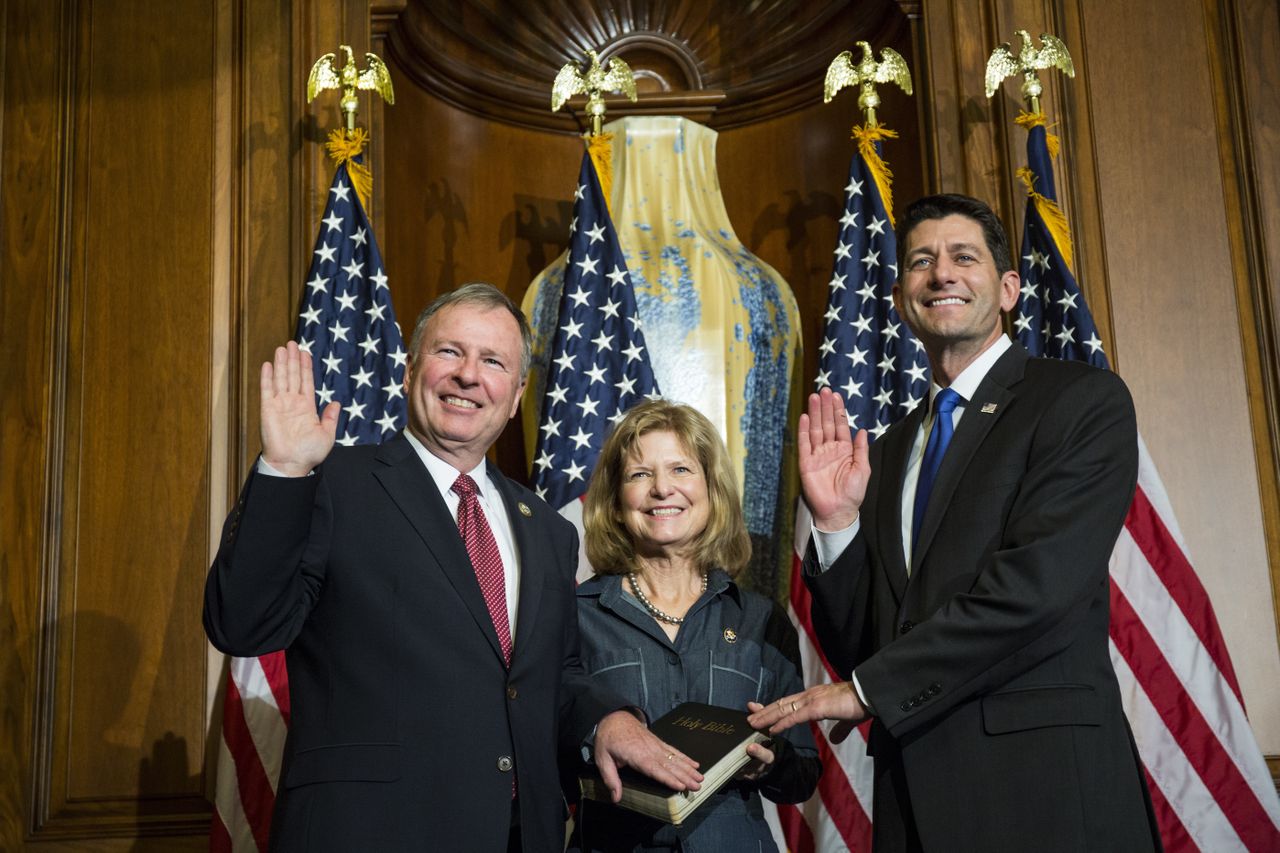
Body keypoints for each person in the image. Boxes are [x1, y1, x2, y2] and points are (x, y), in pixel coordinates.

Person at [204, 283, 702, 853]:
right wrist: (285, 470)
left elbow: (551, 677)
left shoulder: (547, 529)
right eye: (450, 352)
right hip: (372, 832)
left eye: (493, 362)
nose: (469, 375)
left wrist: (606, 721)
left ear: (515, 396)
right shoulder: (331, 483)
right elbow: (241, 625)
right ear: (412, 367)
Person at [749, 194, 1162, 852]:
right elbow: (871, 641)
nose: (942, 273)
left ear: (1007, 289)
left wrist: (866, 691)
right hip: (914, 800)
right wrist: (835, 527)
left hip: (1044, 800)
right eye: (921, 261)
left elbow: (1038, 589)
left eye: (963, 257)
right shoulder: (880, 453)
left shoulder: (1080, 401)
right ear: (898, 295)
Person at [567, 399, 821, 853]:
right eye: (639, 474)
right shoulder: (573, 616)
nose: (662, 489)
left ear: (711, 489)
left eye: (681, 470)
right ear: (615, 501)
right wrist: (597, 736)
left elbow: (802, 774)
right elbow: (538, 754)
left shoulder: (760, 620)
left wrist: (766, 764)